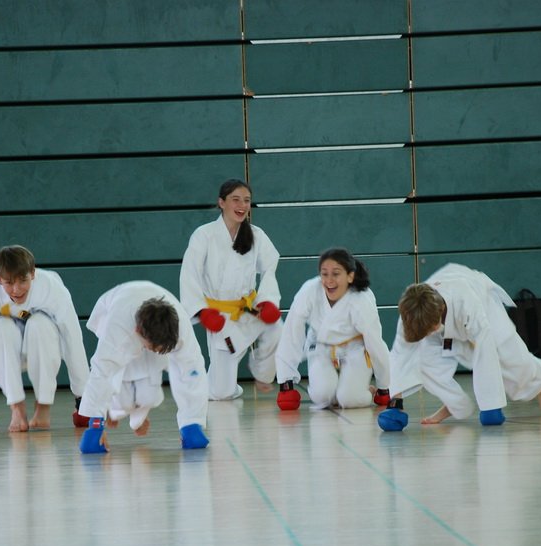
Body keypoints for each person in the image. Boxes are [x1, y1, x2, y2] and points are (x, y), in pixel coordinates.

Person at [378, 263, 541, 430]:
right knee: (426, 361)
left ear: (437, 320)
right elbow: (399, 355)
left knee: (510, 357)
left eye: (429, 330)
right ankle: (454, 404)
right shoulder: (412, 313)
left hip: (481, 299)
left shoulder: (466, 302)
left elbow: (485, 354)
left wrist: (490, 407)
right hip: (441, 307)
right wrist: (395, 404)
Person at [0, 245, 90, 432]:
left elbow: (73, 341)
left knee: (40, 324)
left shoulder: (52, 288)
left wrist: (84, 400)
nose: (17, 289)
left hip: (43, 346)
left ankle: (43, 406)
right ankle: (17, 408)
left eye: (23, 280)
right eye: (9, 282)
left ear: (33, 273)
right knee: (0, 328)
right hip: (5, 351)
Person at [180, 179, 282, 400]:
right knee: (221, 392)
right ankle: (218, 385)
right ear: (221, 202)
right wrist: (202, 311)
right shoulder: (204, 235)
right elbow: (189, 273)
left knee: (276, 328)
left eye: (246, 200)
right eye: (236, 199)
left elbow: (270, 266)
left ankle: (263, 376)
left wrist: (267, 300)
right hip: (221, 316)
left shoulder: (256, 235)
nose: (242, 205)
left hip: (249, 310)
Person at [77, 281, 209, 453]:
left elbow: (192, 370)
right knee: (119, 376)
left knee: (150, 388)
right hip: (113, 308)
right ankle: (114, 410)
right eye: (153, 347)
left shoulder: (180, 326)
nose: (155, 351)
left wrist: (192, 423)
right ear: (138, 331)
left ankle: (164, 420)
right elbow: (101, 372)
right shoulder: (117, 328)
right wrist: (95, 425)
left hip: (149, 313)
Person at [275, 247, 391, 410]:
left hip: (355, 349)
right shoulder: (310, 290)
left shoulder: (361, 298)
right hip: (321, 348)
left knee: (349, 399)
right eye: (324, 274)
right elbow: (292, 332)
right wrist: (286, 381)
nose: (329, 280)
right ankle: (337, 389)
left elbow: (375, 342)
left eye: (336, 274)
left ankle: (366, 391)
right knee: (322, 397)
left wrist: (384, 385)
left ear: (350, 276)